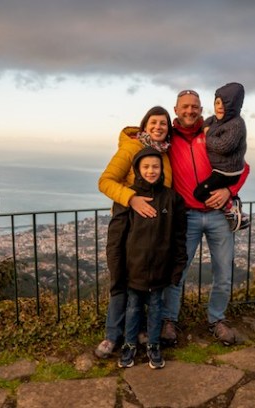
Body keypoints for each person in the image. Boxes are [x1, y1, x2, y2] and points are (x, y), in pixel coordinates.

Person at [161, 89, 249, 346]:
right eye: (185, 106)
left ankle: (217, 319)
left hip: (219, 215)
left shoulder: (214, 133)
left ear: (201, 109)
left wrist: (228, 191)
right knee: (178, 271)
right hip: (185, 216)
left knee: (223, 272)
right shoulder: (167, 138)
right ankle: (169, 320)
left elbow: (243, 167)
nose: (190, 111)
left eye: (195, 106)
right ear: (175, 110)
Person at [95, 106, 174, 359]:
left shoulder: (165, 154)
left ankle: (138, 332)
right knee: (121, 279)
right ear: (144, 125)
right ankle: (112, 335)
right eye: (153, 122)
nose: (158, 127)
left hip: (152, 229)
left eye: (163, 123)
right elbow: (105, 181)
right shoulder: (131, 148)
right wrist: (132, 199)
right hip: (126, 222)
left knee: (143, 284)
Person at [106, 147, 187, 369]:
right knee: (133, 307)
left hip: (161, 268)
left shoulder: (172, 199)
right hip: (134, 268)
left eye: (156, 166)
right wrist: (117, 270)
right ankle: (130, 344)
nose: (151, 171)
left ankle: (153, 345)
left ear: (162, 170)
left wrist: (178, 266)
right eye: (146, 166)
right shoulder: (128, 197)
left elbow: (180, 237)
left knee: (156, 307)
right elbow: (116, 238)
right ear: (137, 170)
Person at [194, 82, 249, 232]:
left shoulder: (236, 124)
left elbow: (224, 146)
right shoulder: (216, 120)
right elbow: (206, 122)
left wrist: (206, 135)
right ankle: (233, 203)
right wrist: (205, 126)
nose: (219, 107)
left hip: (226, 171)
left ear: (233, 106)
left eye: (224, 104)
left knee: (199, 193)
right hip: (220, 170)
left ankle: (231, 208)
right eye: (217, 102)